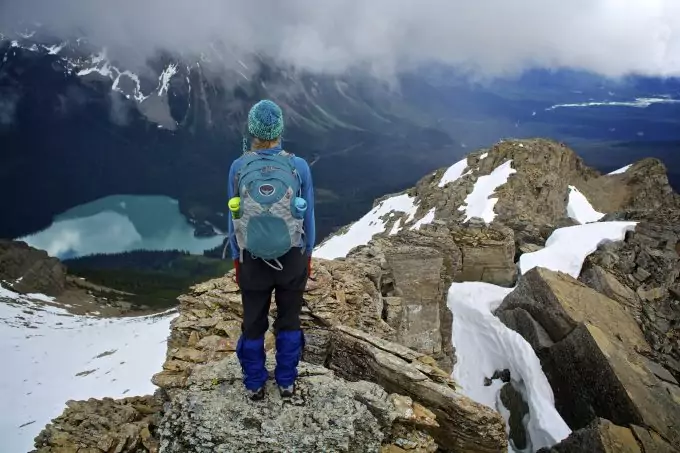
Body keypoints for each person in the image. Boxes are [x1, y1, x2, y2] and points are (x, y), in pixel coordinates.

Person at [227, 99, 315, 401]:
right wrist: (307, 255)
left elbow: (233, 217)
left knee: (253, 321)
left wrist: (238, 258)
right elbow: (309, 217)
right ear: (279, 129)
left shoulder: (239, 167)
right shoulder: (298, 166)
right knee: (289, 319)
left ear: (252, 130)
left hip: (252, 260)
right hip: (291, 258)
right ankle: (287, 382)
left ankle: (254, 383)